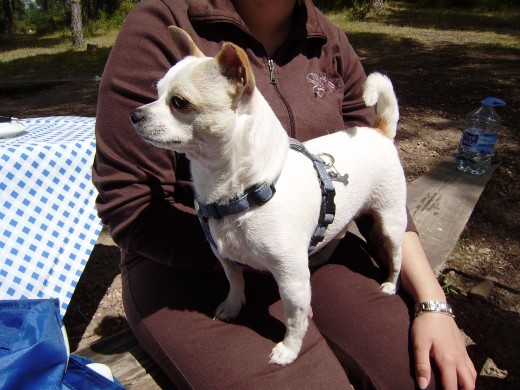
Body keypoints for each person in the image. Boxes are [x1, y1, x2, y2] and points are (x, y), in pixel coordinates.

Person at [93, 0, 477, 388]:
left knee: (413, 374)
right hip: (183, 266)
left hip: (316, 246)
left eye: (177, 103)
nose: (153, 110)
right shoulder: (160, 22)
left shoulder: (329, 41)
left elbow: (372, 162)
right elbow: (127, 202)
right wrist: (265, 258)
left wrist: (432, 301)